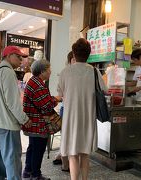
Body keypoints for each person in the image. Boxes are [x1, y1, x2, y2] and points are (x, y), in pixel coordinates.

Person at [57, 38, 107, 180]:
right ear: (89, 54)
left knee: (73, 154)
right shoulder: (95, 72)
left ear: (73, 53)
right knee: (85, 154)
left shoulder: (65, 71)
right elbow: (105, 90)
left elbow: (60, 94)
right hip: (87, 117)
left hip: (71, 118)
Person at [0, 46, 32, 180]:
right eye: (18, 57)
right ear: (9, 55)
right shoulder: (8, 72)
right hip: (6, 123)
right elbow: (12, 102)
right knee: (12, 158)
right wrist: (24, 119)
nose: (21, 60)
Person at [21, 59, 59, 180]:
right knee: (38, 149)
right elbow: (46, 105)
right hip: (38, 124)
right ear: (42, 71)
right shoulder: (37, 84)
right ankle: (35, 175)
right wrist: (57, 99)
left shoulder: (34, 81)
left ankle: (27, 171)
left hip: (32, 122)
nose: (50, 71)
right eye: (49, 69)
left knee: (32, 147)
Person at [53, 51, 75, 172]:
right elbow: (60, 94)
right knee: (67, 137)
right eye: (74, 59)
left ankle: (62, 157)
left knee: (68, 137)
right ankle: (65, 163)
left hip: (68, 109)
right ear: (71, 59)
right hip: (66, 109)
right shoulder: (66, 72)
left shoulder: (68, 72)